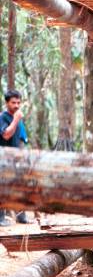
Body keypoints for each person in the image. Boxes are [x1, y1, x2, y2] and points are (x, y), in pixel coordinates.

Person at [0, 90, 29, 226]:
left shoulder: (18, 121)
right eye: (13, 103)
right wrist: (16, 119)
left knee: (19, 186)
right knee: (3, 188)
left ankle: (21, 216)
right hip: (3, 159)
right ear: (7, 103)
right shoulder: (3, 117)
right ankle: (1, 218)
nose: (16, 105)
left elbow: (22, 140)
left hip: (17, 159)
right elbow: (6, 135)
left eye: (18, 102)